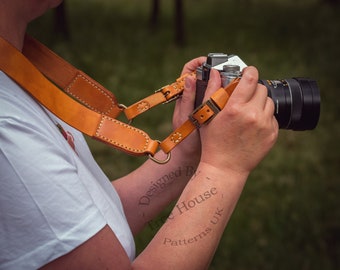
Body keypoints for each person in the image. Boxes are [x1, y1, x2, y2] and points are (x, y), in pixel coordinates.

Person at [0, 1, 278, 269]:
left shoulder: (11, 79)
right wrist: (223, 169)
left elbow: (87, 221)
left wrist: (184, 153)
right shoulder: (7, 132)